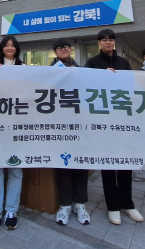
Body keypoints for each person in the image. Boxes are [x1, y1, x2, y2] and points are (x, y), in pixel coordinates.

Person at [84, 29, 143, 226]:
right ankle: (113, 206)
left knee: (125, 164)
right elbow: (84, 86)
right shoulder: (92, 63)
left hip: (122, 118)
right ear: (98, 42)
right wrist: (102, 77)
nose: (108, 43)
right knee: (108, 165)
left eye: (111, 40)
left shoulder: (124, 63)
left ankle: (128, 203)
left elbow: (131, 86)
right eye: (104, 40)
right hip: (102, 120)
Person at [51, 38, 90, 226]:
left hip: (79, 123)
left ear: (71, 49)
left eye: (66, 46)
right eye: (59, 47)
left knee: (81, 164)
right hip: (59, 124)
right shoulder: (48, 72)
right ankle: (65, 204)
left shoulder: (81, 70)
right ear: (55, 52)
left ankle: (80, 204)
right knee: (64, 165)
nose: (63, 49)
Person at [0, 35, 24, 231]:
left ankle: (11, 210)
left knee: (16, 168)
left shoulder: (24, 68)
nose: (9, 48)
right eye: (6, 45)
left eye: (13, 45)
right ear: (1, 48)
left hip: (17, 124)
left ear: (17, 48)